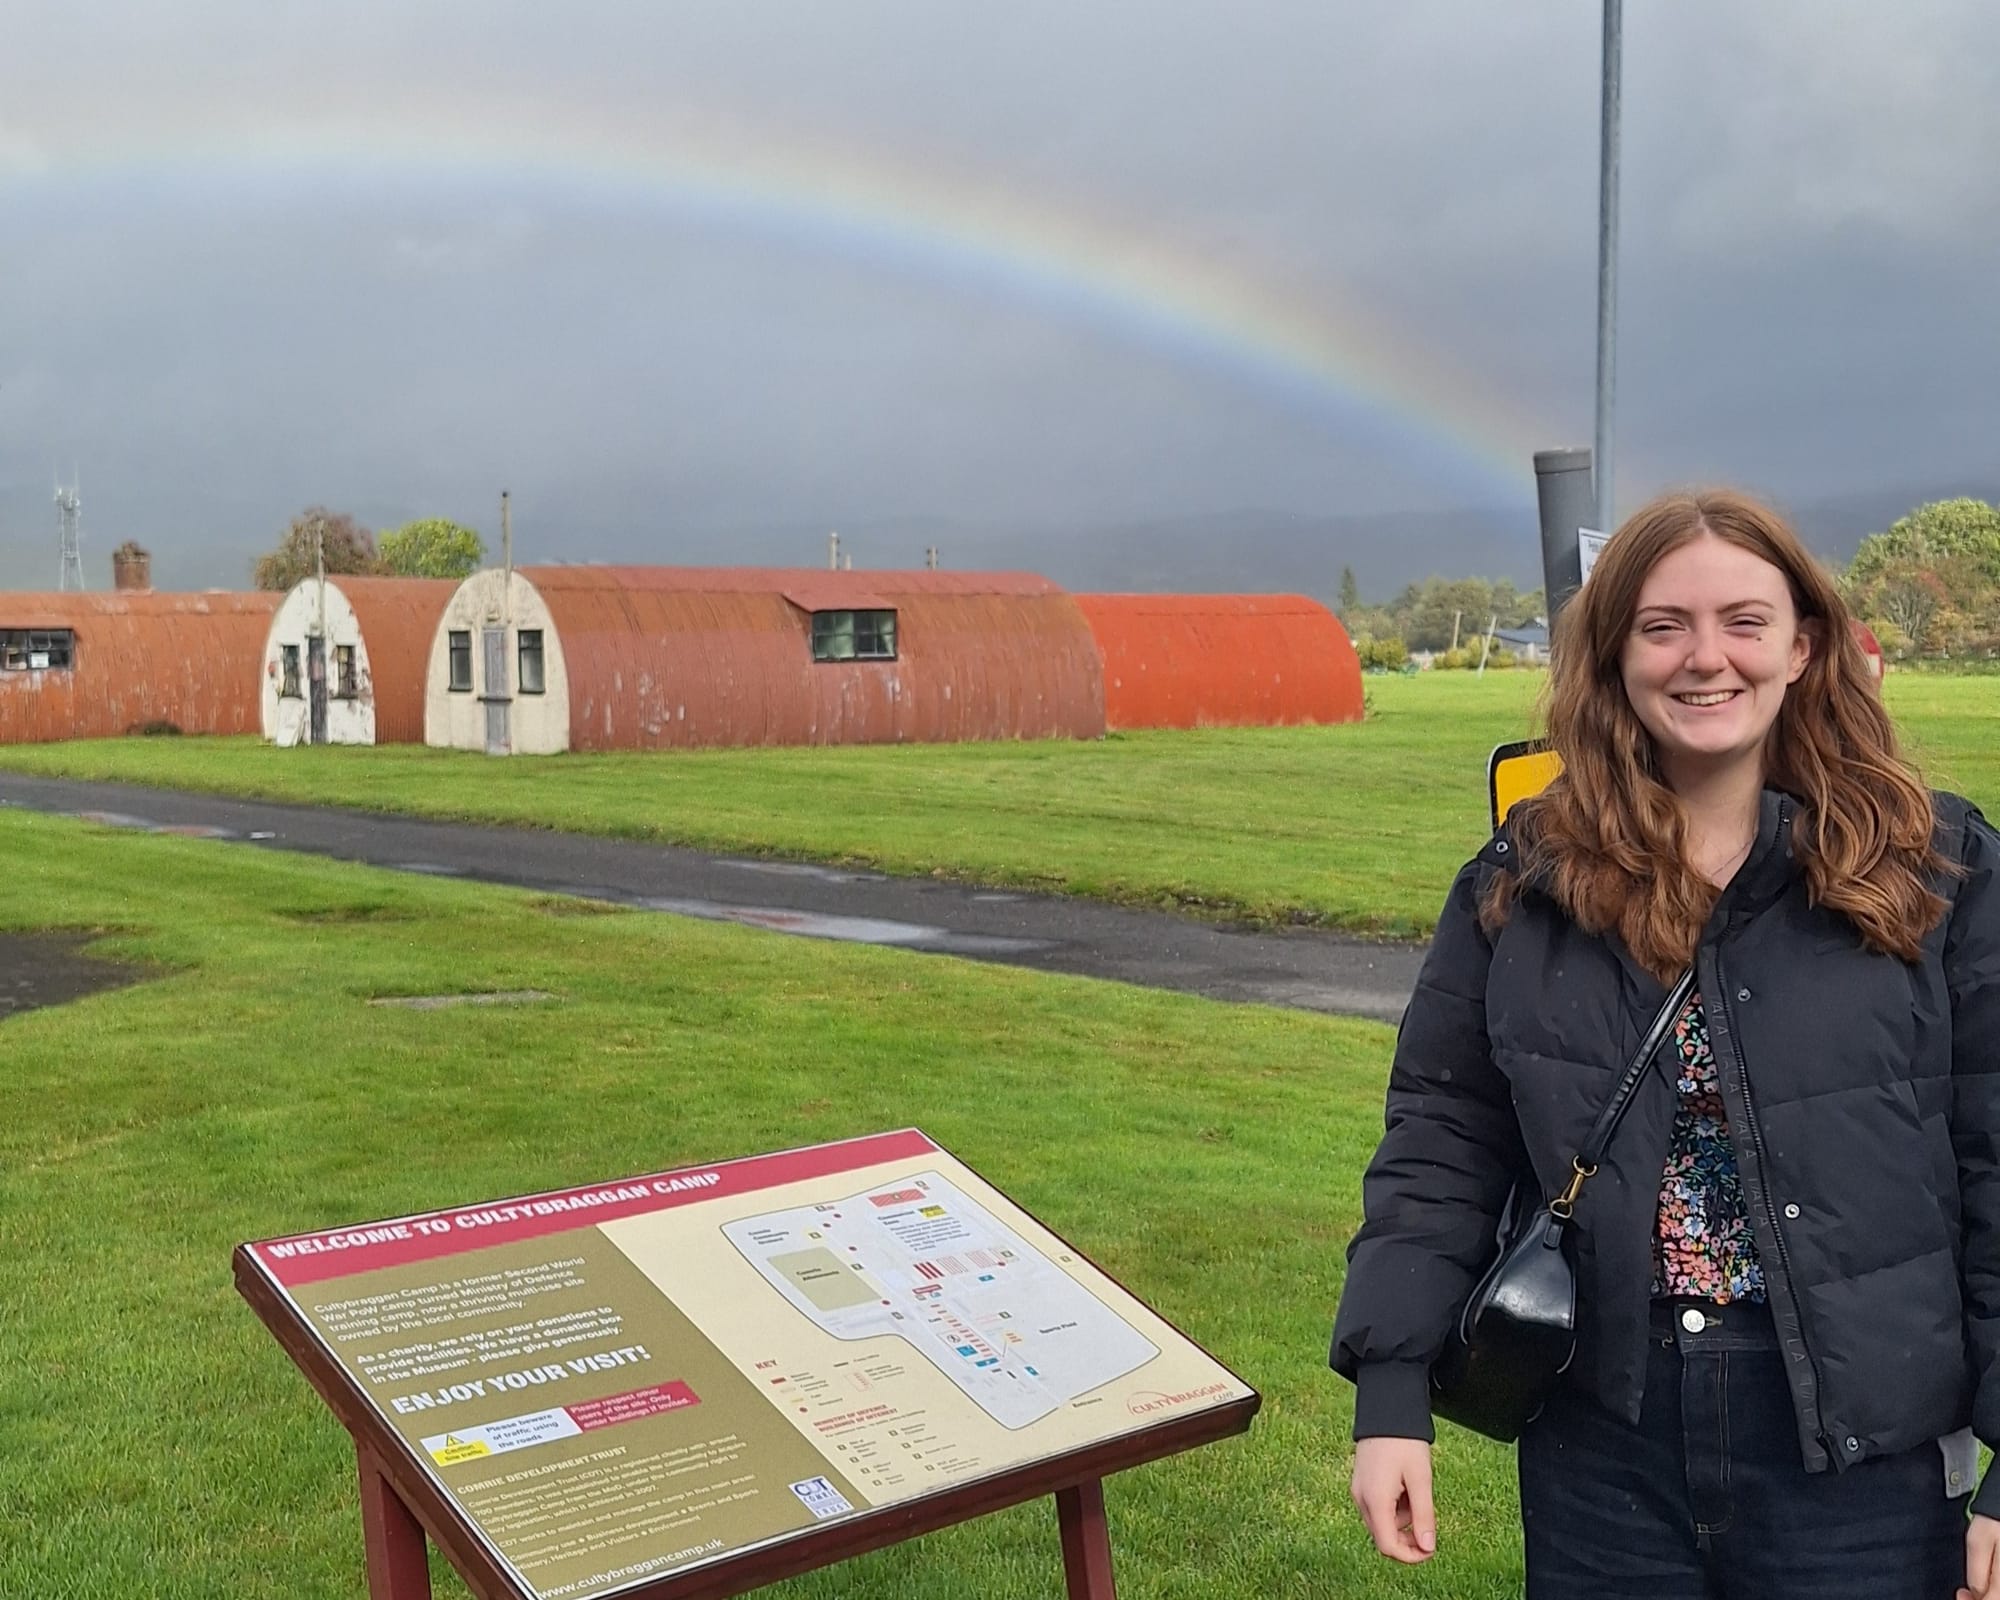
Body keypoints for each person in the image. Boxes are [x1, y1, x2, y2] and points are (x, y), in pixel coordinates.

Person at [1329, 489, 2000, 1600]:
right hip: (1606, 1441)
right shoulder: (1526, 878)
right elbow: (1442, 1133)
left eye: (1742, 620)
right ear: (1613, 653)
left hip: (1860, 1458)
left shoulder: (1936, 870)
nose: (1704, 658)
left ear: (1803, 644)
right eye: (1661, 625)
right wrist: (1391, 1388)